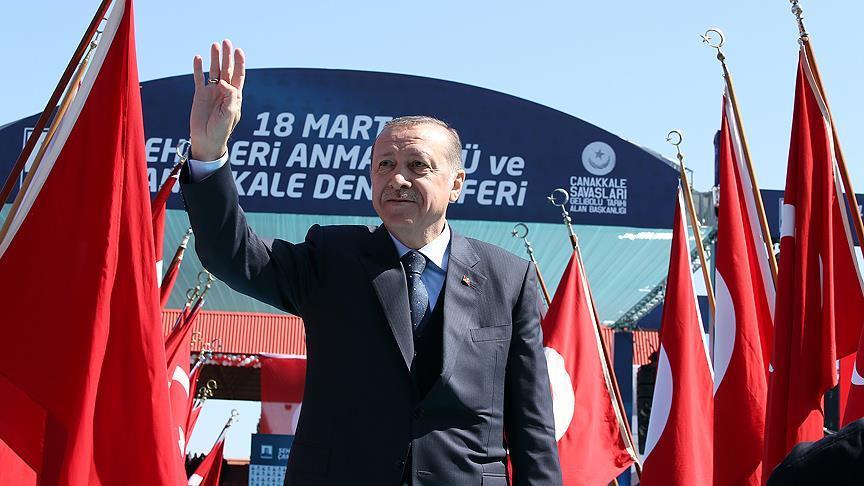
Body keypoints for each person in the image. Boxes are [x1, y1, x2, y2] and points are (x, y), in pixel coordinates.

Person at [180, 39, 562, 486]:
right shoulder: (331, 258)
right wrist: (208, 152)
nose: (397, 178)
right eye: (385, 165)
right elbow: (232, 254)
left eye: (417, 165)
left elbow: (533, 429)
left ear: (456, 183)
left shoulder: (508, 279)